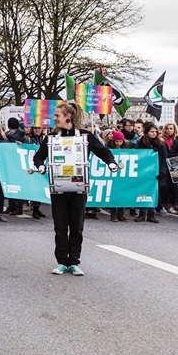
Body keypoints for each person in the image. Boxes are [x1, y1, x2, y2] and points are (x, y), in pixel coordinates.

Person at [33, 103, 118, 276]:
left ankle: (74, 261)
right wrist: (40, 166)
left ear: (68, 117)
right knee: (60, 226)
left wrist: (111, 163)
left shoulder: (85, 136)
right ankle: (62, 261)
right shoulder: (51, 137)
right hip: (59, 188)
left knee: (77, 226)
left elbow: (103, 151)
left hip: (79, 188)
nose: (54, 119)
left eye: (57, 116)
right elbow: (38, 157)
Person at [134, 122, 168, 223]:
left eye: (155, 132)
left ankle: (151, 214)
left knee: (153, 193)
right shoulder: (141, 142)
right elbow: (135, 153)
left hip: (155, 172)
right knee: (143, 192)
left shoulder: (161, 144)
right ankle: (142, 213)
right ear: (147, 132)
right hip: (143, 171)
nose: (154, 133)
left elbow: (165, 158)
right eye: (151, 131)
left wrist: (162, 171)